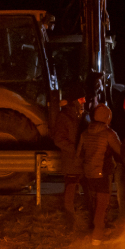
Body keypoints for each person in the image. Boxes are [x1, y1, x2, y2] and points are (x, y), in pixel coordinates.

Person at [77, 104, 120, 243]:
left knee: (94, 203)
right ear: (107, 117)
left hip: (89, 174)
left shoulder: (85, 133)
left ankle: (95, 229)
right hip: (103, 174)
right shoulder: (109, 133)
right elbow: (121, 151)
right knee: (102, 204)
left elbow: (79, 154)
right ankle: (97, 236)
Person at [53, 88, 87, 230]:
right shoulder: (65, 116)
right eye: (81, 99)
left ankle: (79, 218)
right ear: (74, 101)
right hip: (71, 159)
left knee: (79, 187)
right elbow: (59, 140)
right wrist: (76, 150)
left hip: (79, 159)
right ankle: (70, 220)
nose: (84, 101)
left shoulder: (80, 115)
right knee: (71, 186)